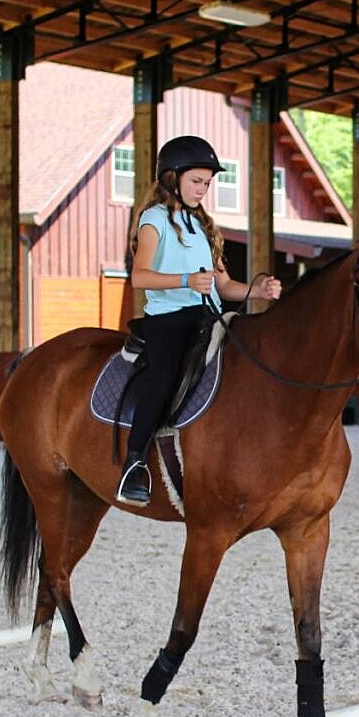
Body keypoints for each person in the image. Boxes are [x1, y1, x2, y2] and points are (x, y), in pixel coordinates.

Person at [116, 135, 281, 507]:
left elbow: (224, 285)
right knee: (163, 377)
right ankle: (134, 463)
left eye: (207, 183)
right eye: (197, 181)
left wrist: (257, 291)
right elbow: (139, 277)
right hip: (167, 320)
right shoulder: (153, 220)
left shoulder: (204, 226)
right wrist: (186, 281)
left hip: (207, 316)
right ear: (172, 178)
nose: (203, 190)